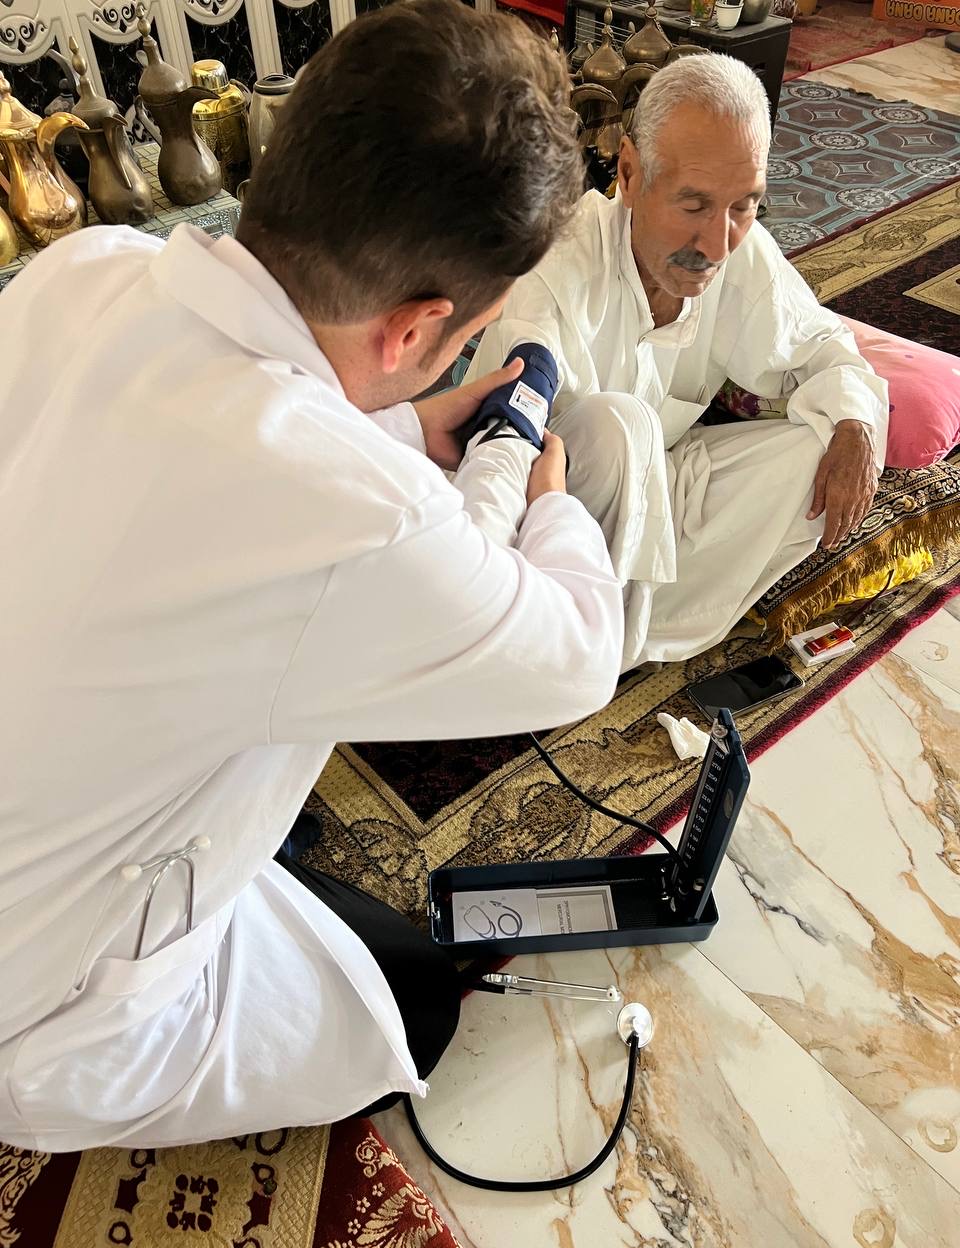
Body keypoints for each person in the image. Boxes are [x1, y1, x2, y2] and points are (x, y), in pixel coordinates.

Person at [0, 0, 625, 1152]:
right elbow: (578, 650)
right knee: (415, 1002)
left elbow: (258, 445)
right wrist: (546, 495)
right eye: (467, 334)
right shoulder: (353, 515)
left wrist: (405, 425)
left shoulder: (82, 268)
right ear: (415, 329)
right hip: (43, 1002)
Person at [464, 53, 889, 670]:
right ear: (630, 175)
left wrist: (854, 426)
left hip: (663, 485)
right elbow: (502, 449)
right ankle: (570, 643)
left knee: (826, 441)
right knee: (619, 424)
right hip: (542, 512)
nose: (717, 244)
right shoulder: (555, 269)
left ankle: (633, 632)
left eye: (745, 205)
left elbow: (825, 350)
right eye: (694, 205)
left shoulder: (737, 249)